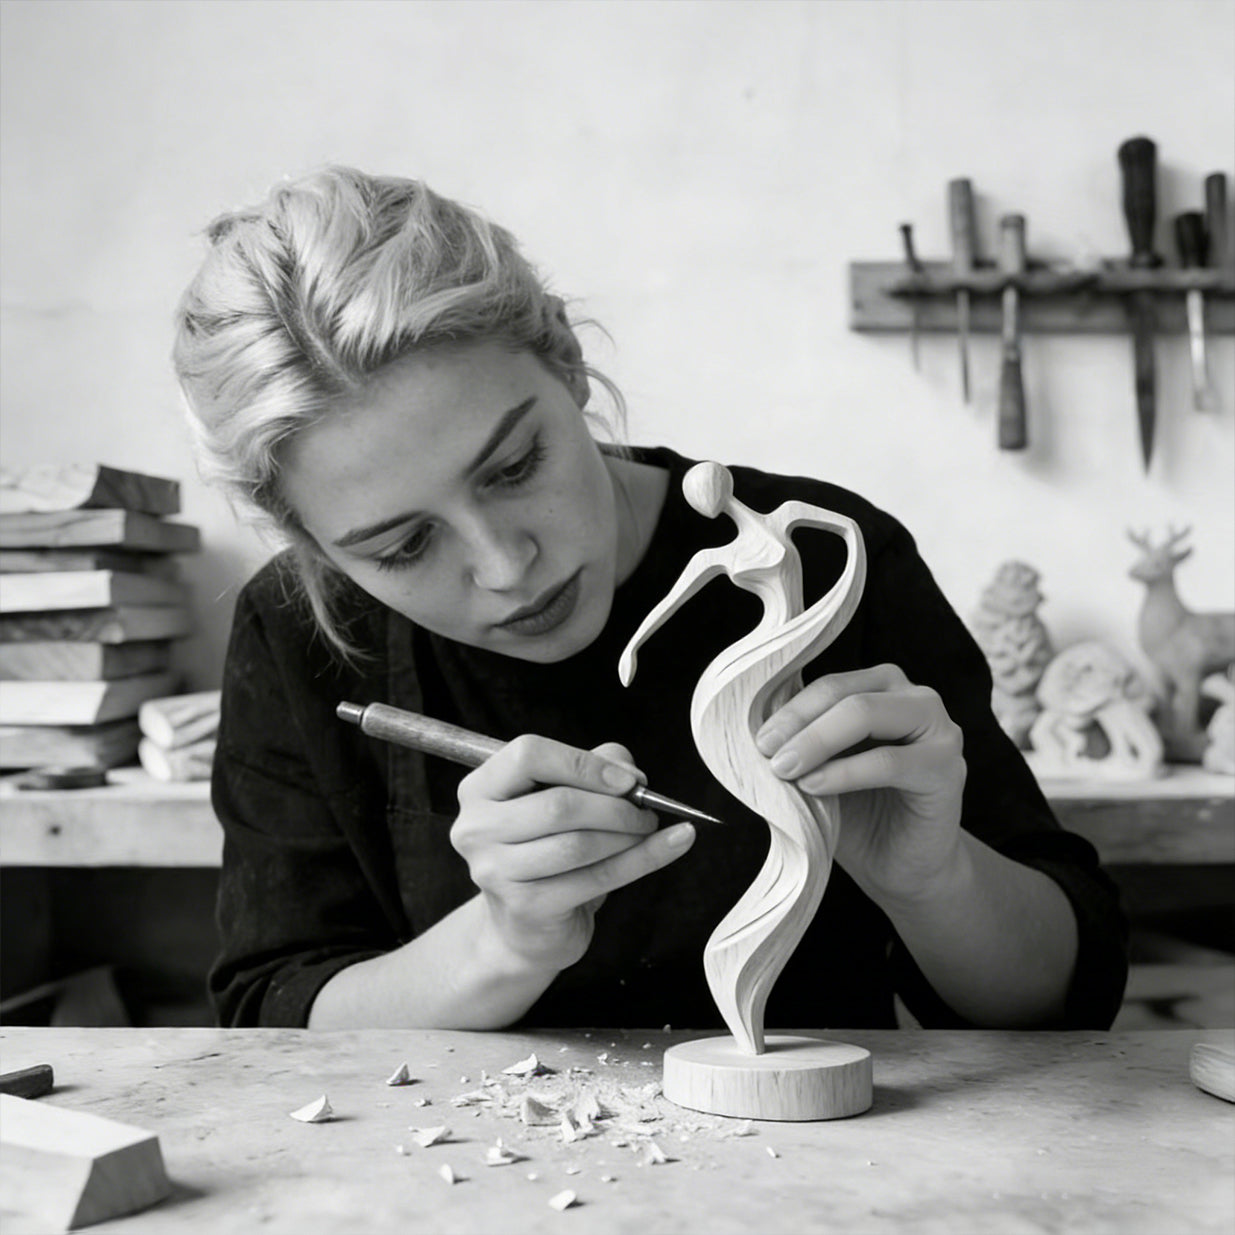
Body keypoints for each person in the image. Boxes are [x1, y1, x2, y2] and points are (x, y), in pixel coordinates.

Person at [172, 166, 1127, 1032]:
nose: (504, 566)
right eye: (402, 546)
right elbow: (272, 1018)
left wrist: (935, 877)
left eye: (515, 466)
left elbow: (1065, 1000)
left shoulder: (813, 555)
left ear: (566, 361)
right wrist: (500, 945)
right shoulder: (297, 632)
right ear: (309, 541)